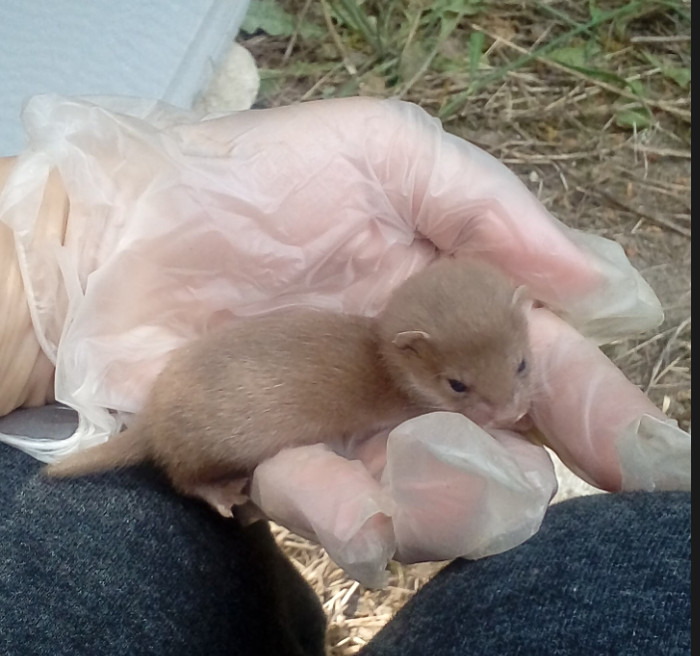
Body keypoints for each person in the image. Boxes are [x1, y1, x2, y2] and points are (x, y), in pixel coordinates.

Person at [0, 95, 690, 652]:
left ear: (521, 311)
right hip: (193, 414)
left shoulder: (435, 342)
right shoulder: (389, 366)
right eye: (460, 389)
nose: (508, 405)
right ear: (409, 351)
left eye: (517, 367)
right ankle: (197, 484)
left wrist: (49, 256)